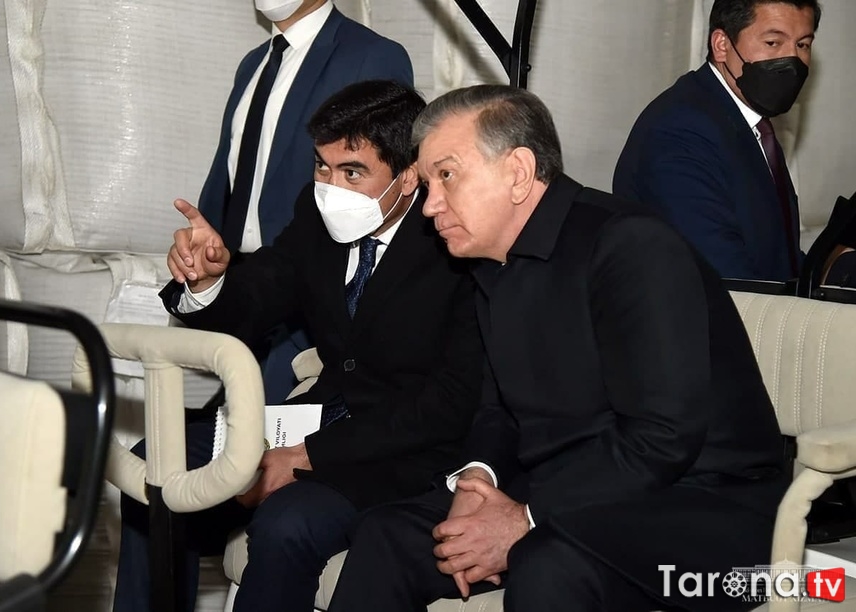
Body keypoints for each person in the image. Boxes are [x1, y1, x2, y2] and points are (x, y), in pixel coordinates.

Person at [326, 85, 790, 612]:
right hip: (572, 488)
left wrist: (524, 518)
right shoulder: (492, 263)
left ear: (518, 172)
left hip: (707, 505)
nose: (430, 206)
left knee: (547, 561)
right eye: (429, 184)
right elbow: (498, 407)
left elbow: (662, 438)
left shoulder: (631, 245)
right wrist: (477, 480)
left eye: (447, 176)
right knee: (389, 535)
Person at [113, 80, 483, 612]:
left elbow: (449, 402)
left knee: (287, 523)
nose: (330, 187)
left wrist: (307, 456)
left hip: (399, 452)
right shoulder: (317, 212)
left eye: (352, 172)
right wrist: (208, 280)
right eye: (321, 167)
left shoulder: (454, 238)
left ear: (408, 176)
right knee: (153, 464)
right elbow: (264, 289)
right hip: (313, 417)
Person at [199, 0, 414, 401]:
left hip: (306, 309)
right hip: (248, 285)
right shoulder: (253, 64)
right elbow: (234, 167)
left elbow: (383, 177)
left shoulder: (371, 55)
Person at [614, 0, 821, 282]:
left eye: (803, 45)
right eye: (773, 43)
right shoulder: (680, 131)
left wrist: (833, 269)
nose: (792, 59)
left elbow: (774, 257)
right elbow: (724, 278)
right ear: (722, 44)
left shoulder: (746, 119)